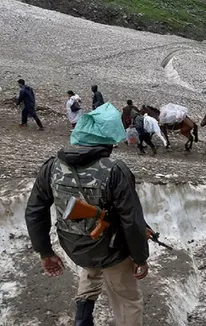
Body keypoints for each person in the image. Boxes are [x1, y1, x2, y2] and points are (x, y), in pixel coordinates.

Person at [24, 105, 149, 326]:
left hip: (75, 245)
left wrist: (45, 252)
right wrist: (140, 258)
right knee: (128, 302)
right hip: (110, 250)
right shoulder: (115, 169)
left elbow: (35, 211)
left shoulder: (52, 165)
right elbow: (131, 220)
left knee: (91, 267)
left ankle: (82, 319)